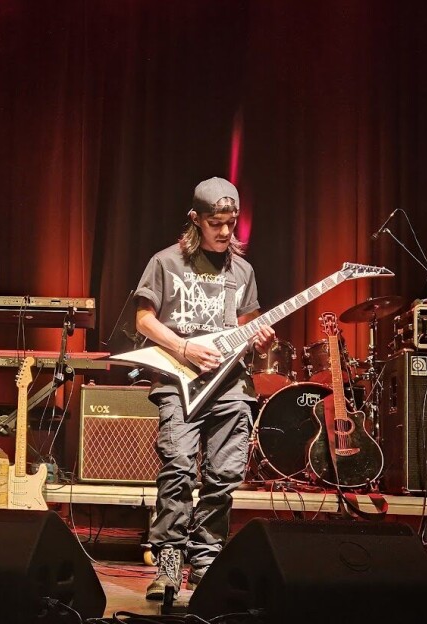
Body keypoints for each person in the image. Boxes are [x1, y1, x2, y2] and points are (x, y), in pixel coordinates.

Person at [135, 177, 274, 600]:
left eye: (231, 223)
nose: (225, 232)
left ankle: (207, 558)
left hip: (231, 386)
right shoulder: (165, 263)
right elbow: (143, 319)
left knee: (225, 476)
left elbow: (247, 325)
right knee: (177, 467)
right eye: (216, 223)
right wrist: (184, 347)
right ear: (196, 220)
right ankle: (170, 563)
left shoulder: (242, 271)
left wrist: (258, 337)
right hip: (179, 380)